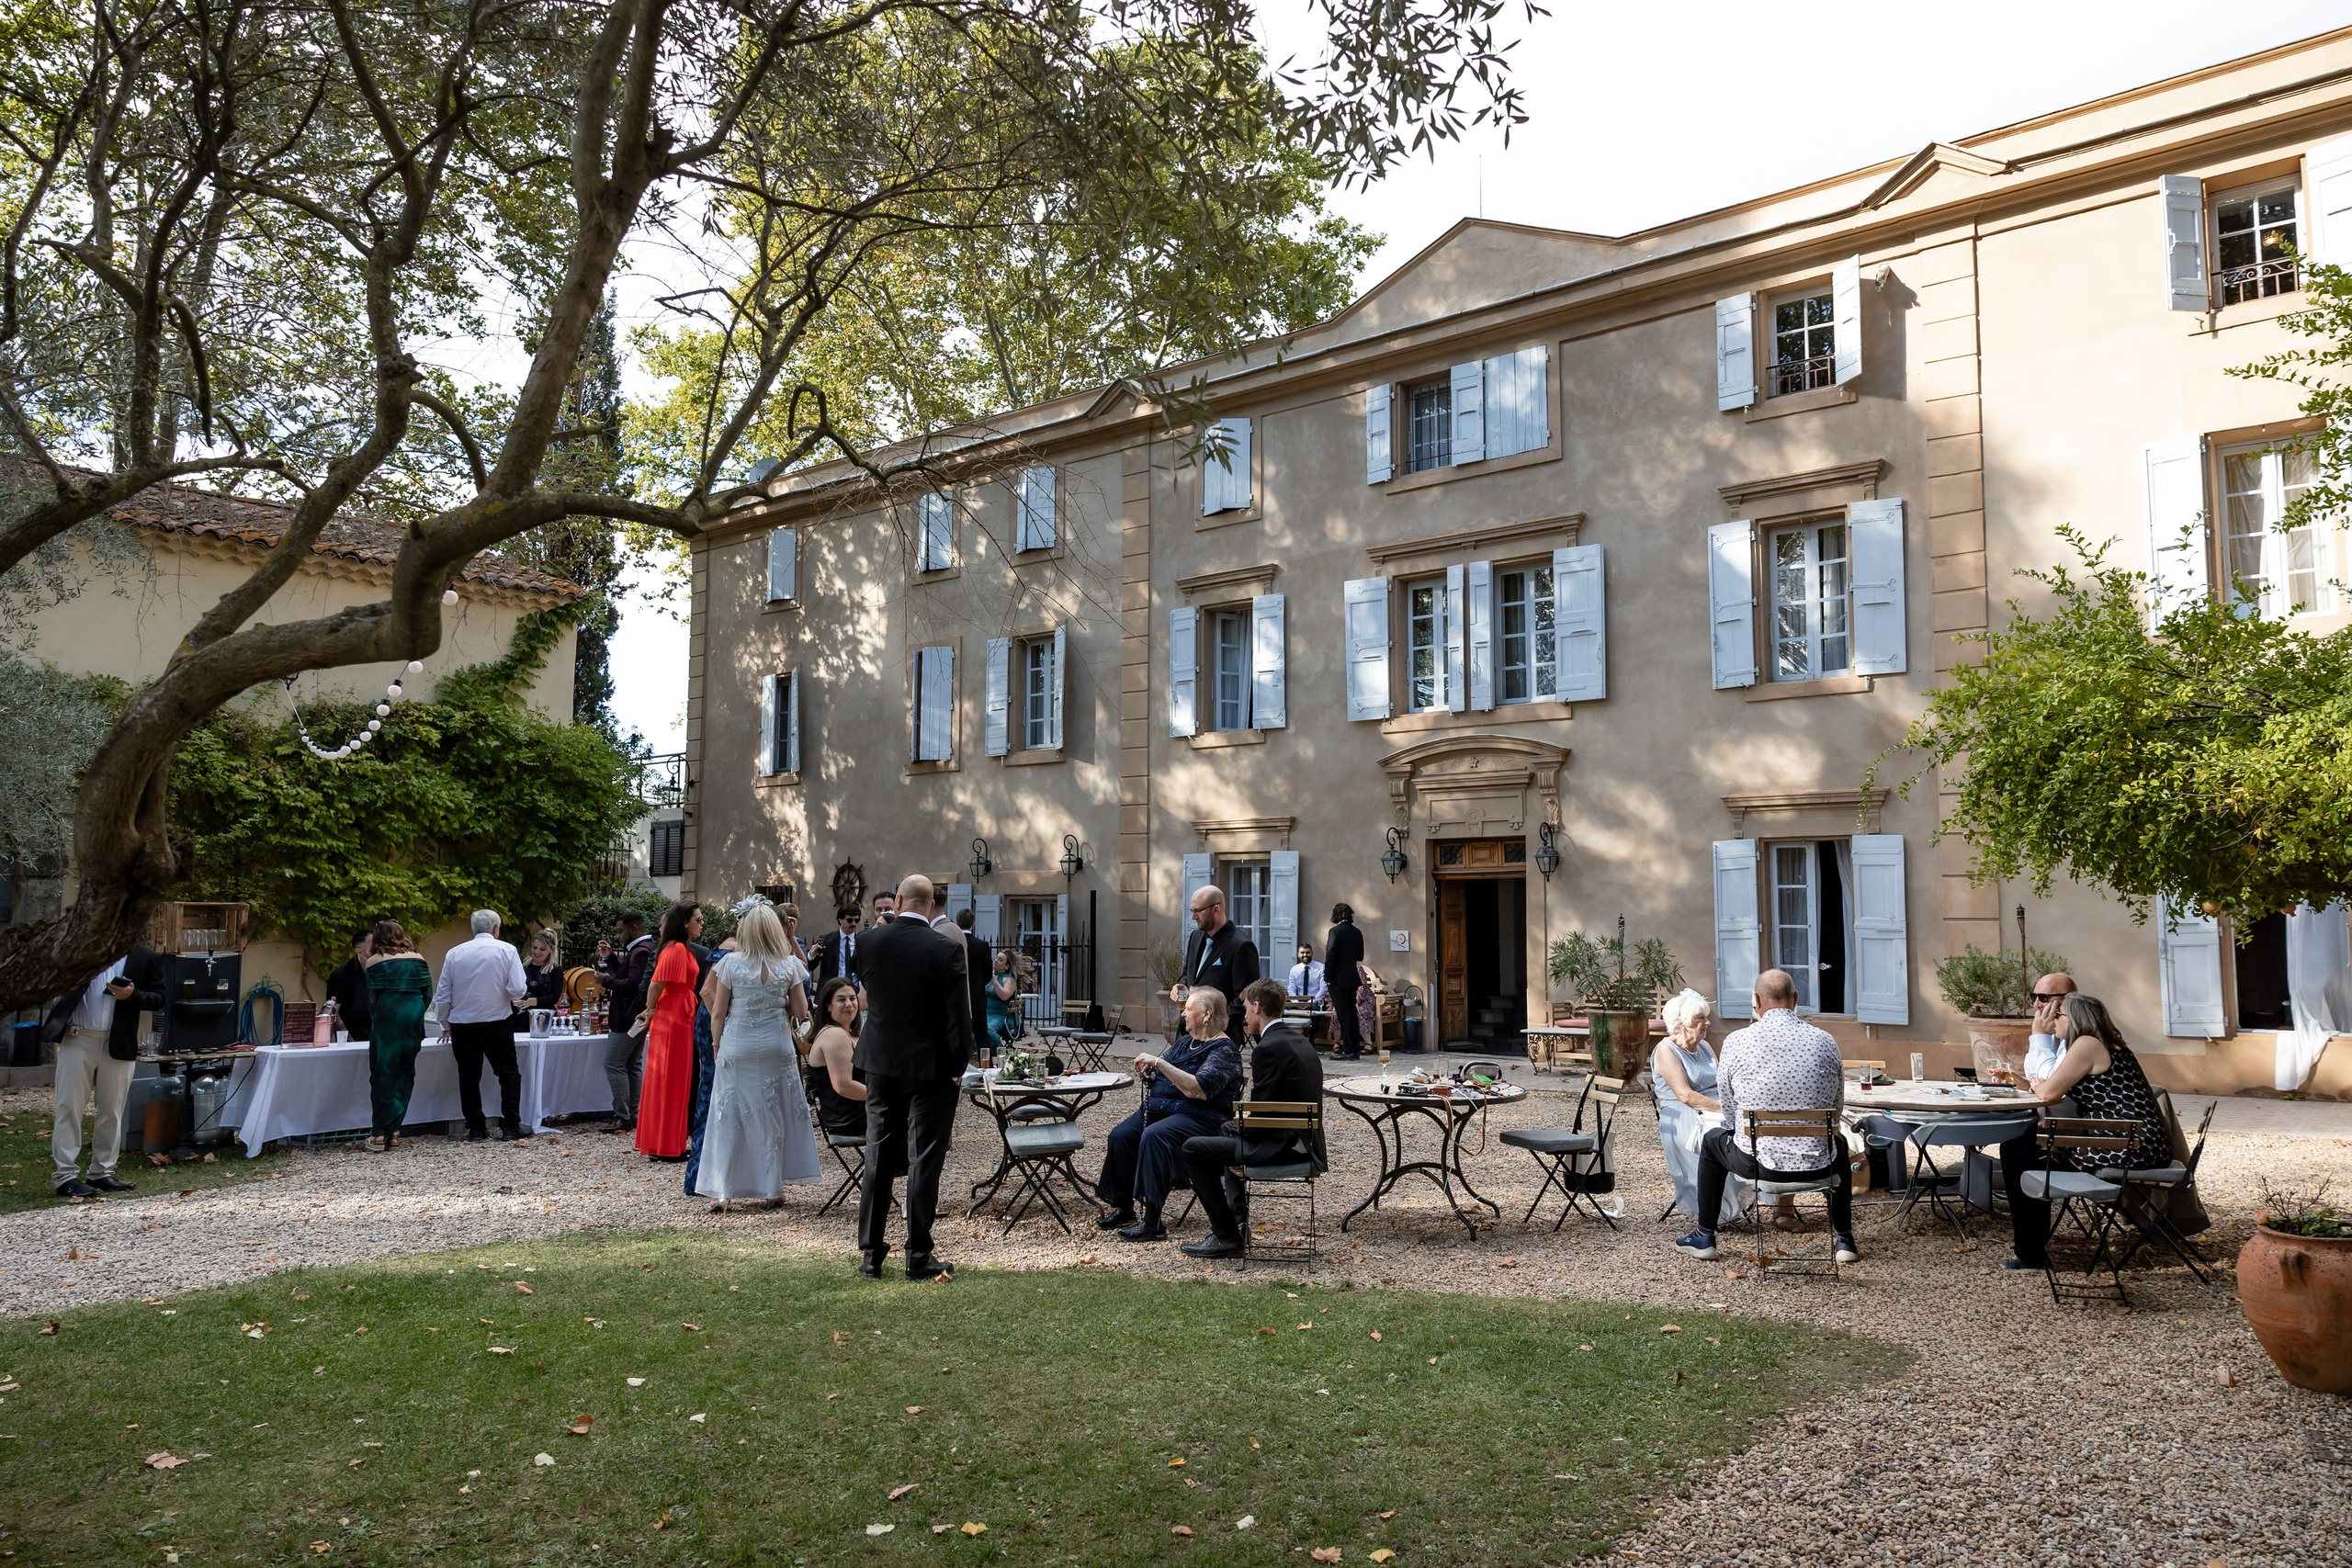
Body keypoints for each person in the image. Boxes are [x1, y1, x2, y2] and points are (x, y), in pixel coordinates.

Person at [1672, 968, 1858, 1265]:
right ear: (1796, 999)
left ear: (1757, 1001)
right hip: (1818, 1165)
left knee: (1711, 1141)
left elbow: (1730, 1117)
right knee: (1841, 1145)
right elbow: (1835, 1112)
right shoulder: (1826, 1041)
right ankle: (1845, 1240)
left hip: (1759, 1165)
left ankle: (1705, 1236)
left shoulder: (1736, 1042)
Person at [1996, 993, 2174, 1273]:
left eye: (2058, 1015)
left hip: (2129, 1145)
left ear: (2075, 1019)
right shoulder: (2104, 1044)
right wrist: (2029, 1083)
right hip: (2133, 1140)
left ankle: (2030, 1253)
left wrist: (2040, 1083)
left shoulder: (2087, 1045)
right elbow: (2050, 1088)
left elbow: (2050, 1092)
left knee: (2019, 1152)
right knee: (2025, 1146)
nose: (2053, 1021)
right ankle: (2030, 1249)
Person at [851, 874, 973, 1280]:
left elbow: (872, 988)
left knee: (878, 1154)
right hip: (931, 1066)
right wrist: (958, 1068)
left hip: (881, 1062)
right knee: (924, 1158)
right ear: (933, 904)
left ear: (898, 900)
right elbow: (960, 1020)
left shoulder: (868, 942)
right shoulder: (946, 949)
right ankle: (918, 1253)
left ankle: (871, 1253)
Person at [1180, 977, 1326, 1258]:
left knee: (1192, 1149)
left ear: (1258, 1007)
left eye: (1246, 1009)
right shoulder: (1300, 1041)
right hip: (1304, 1141)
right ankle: (1237, 1225)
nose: (1244, 1016)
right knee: (1226, 1127)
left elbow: (1260, 1114)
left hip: (1286, 1147)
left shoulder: (1267, 1048)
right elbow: (1269, 1108)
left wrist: (1240, 1147)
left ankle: (1227, 1236)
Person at [695, 904, 820, 1211]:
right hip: (776, 1044)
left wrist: (715, 1044)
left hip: (739, 1043)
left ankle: (722, 1191)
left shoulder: (731, 964)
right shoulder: (788, 964)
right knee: (772, 1114)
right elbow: (802, 1012)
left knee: (729, 1116)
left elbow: (719, 1012)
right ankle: (771, 1189)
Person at [1096, 987, 1244, 1242]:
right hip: (1164, 1111)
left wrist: (1160, 1063)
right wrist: (1152, 1074)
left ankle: (1152, 1221)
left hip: (1200, 1118)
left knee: (1155, 1135)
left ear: (1206, 1015)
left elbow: (1198, 1089)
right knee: (1121, 1135)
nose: (1183, 1013)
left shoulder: (1224, 1050)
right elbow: (1167, 1075)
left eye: (1189, 1009)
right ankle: (1124, 1207)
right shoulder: (1186, 1042)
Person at [42, 944, 164, 1197]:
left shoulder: (145, 957)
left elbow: (159, 998)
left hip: (118, 1042)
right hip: (77, 1038)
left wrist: (132, 995)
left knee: (112, 1110)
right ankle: (65, 1176)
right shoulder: (83, 949)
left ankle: (101, 1172)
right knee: (69, 1108)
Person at [435, 909, 532, 1143]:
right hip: (496, 1020)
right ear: (496, 929)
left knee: (469, 1076)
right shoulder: (507, 950)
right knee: (508, 1073)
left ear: (473, 928)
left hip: (463, 1023)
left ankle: (476, 1128)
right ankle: (510, 1126)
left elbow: (443, 993)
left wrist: (444, 1022)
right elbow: (518, 989)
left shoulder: (455, 953)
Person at [1651, 988, 1746, 1225]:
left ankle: (1762, 1186)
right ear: (1680, 1023)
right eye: (1699, 1018)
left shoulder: (1703, 1045)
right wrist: (1726, 1110)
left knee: (1749, 1128)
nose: (1707, 1023)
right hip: (1684, 1115)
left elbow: (1723, 1081)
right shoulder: (1665, 1049)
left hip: (1713, 1108)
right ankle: (1716, 1208)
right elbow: (1685, 1096)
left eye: (1705, 1017)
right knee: (1723, 1136)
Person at [636, 902, 705, 1160]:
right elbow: (656, 984)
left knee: (675, 1079)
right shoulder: (675, 949)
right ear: (685, 922)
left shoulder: (679, 948)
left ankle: (666, 1143)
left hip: (679, 1013)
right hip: (673, 1016)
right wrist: (650, 1010)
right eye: (698, 919)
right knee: (671, 1079)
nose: (701, 923)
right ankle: (665, 1145)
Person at [361, 920, 432, 1153]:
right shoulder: (419, 959)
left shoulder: (373, 961)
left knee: (383, 1074)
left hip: (388, 1016)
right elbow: (428, 994)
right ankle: (395, 1131)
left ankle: (380, 1133)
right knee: (405, 1072)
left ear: (379, 937)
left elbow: (371, 1000)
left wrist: (379, 1018)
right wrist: (415, 1012)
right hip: (412, 1015)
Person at [1170, 885, 1258, 1044]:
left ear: (1216, 909)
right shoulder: (1196, 937)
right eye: (1192, 911)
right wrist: (1180, 985)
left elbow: (1245, 997)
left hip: (1218, 1038)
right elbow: (1187, 975)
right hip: (1186, 1033)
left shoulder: (1241, 945)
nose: (1193, 917)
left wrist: (1215, 1027)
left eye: (1198, 911)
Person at [595, 911, 655, 1133]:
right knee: (631, 1064)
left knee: (613, 1063)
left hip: (628, 1017)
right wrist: (611, 959)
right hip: (636, 1016)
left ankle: (623, 1115)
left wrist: (606, 980)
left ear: (635, 928)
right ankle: (633, 1114)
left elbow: (632, 984)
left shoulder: (641, 951)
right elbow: (630, 976)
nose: (619, 936)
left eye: (621, 931)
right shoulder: (645, 949)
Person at [807, 976, 875, 1144]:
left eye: (852, 998)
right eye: (841, 1000)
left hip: (858, 1110)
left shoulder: (848, 1033)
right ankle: (898, 1167)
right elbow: (843, 1086)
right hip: (849, 1118)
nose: (849, 1004)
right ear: (828, 1005)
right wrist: (884, 1097)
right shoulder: (834, 1035)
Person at [1325, 903, 1366, 1060]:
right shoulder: (1357, 932)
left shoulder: (1334, 931)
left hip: (1338, 979)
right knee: (1352, 1014)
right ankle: (1354, 1050)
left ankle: (1348, 1050)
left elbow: (1330, 955)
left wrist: (1327, 977)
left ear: (1335, 915)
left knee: (1344, 1015)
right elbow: (1360, 956)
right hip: (1352, 978)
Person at [2023, 971, 2077, 1081]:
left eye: (2043, 998)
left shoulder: (2079, 1036)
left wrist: (2040, 1034)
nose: (2036, 1005)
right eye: (2034, 997)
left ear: (2068, 999)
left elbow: (2051, 1082)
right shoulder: (2053, 1033)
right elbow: (2032, 1075)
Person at [322, 928, 375, 1042]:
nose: (379, 952)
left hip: (379, 1036)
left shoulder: (382, 970)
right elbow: (333, 1011)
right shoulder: (342, 974)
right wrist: (350, 1041)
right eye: (374, 949)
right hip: (353, 1037)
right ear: (359, 951)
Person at [956, 907, 992, 1046]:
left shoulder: (954, 943)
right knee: (982, 1033)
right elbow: (988, 972)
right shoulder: (982, 945)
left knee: (958, 1033)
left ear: (957, 923)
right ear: (973, 924)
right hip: (976, 994)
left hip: (958, 993)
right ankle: (986, 1063)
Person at [808, 905, 863, 987]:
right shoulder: (826, 940)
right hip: (831, 990)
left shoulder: (861, 941)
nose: (854, 924)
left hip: (855, 990)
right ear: (840, 920)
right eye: (849, 920)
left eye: (857, 920)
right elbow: (810, 966)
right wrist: (811, 955)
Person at [983, 948, 1024, 1055]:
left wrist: (994, 981)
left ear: (1007, 965)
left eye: (1000, 959)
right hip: (986, 1013)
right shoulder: (988, 976)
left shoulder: (1009, 979)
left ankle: (1001, 1054)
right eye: (996, 958)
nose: (996, 960)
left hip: (1002, 1016)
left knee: (989, 1029)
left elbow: (1004, 996)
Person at [518, 931, 566, 1018]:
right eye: (534, 947)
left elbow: (555, 997)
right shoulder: (523, 966)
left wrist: (532, 1001)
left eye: (542, 949)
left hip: (544, 1017)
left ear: (551, 949)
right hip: (521, 1017)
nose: (537, 952)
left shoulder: (555, 969)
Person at [1286, 942, 1327, 1006]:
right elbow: (1291, 989)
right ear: (1298, 955)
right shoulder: (1294, 970)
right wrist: (1296, 1003)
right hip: (1298, 1000)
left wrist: (1310, 1003)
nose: (1305, 955)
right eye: (1302, 953)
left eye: (1308, 952)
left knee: (1313, 1014)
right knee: (1292, 1014)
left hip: (1316, 1001)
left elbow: (1323, 989)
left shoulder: (1321, 968)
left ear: (1312, 954)